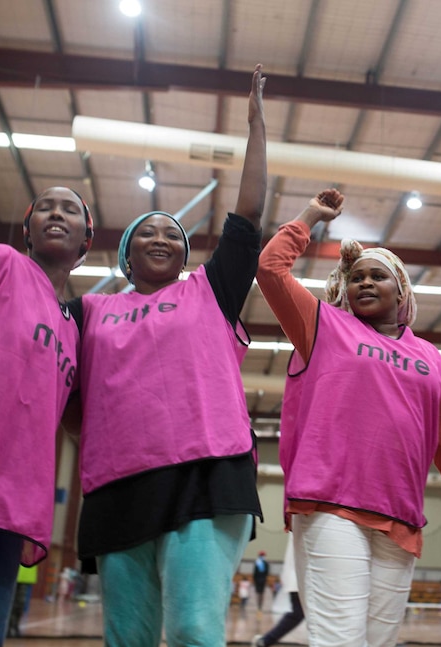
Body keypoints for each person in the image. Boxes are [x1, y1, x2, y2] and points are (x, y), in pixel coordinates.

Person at [69, 64, 267, 646]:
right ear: (127, 256)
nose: (162, 237)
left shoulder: (211, 289)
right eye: (147, 233)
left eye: (173, 234)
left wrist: (255, 125)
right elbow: (68, 400)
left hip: (206, 474)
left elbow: (249, 212)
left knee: (193, 629)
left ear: (185, 256)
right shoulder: (89, 312)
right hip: (117, 483)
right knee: (126, 637)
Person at [255, 188, 441, 647]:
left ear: (400, 289)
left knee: (378, 643)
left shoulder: (429, 357)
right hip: (331, 505)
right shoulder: (324, 325)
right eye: (357, 277)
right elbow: (270, 270)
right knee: (340, 640)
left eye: (378, 277)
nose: (364, 282)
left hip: (401, 516)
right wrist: (310, 216)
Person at [0, 186, 92, 646]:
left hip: (7, 503)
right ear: (28, 229)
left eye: (70, 209)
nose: (56, 213)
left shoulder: (74, 330)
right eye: (46, 207)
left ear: (86, 241)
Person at [253, 535, 304, 647]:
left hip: (296, 576)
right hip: (299, 576)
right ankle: (265, 640)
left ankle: (265, 641)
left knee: (298, 614)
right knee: (298, 613)